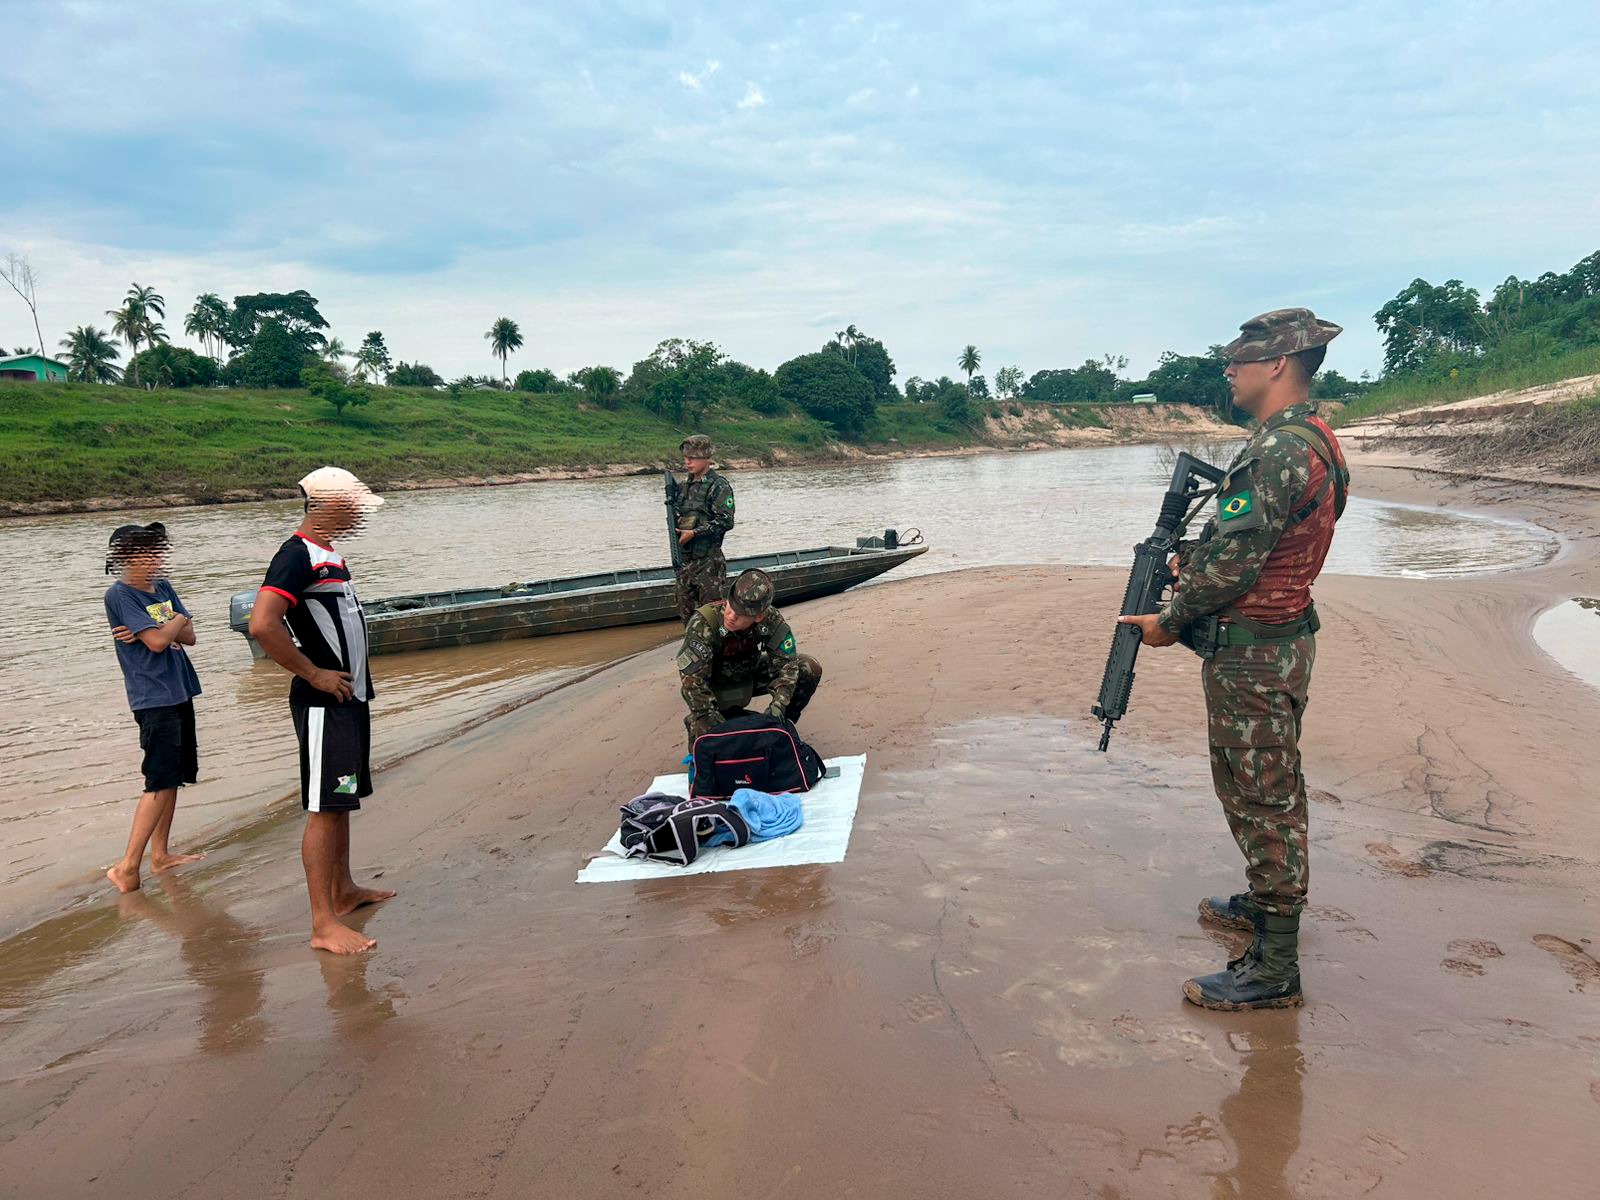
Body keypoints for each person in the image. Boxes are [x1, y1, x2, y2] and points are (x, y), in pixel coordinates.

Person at [1118, 308, 1349, 1011]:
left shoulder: (1279, 448)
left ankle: (1275, 968)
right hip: (1279, 642)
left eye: (1237, 362)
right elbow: (1260, 547)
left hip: (1255, 654)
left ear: (1277, 364)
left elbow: (1234, 566)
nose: (1229, 372)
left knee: (1261, 797)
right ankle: (1263, 905)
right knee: (1264, 786)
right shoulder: (1316, 438)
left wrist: (1170, 620)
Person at [248, 467, 395, 955]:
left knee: (342, 799)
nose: (358, 513)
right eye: (352, 504)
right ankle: (321, 923)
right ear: (326, 504)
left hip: (350, 699)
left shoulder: (329, 555)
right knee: (323, 808)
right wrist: (313, 674)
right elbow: (263, 625)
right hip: (322, 702)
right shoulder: (295, 555)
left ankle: (344, 890)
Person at [103, 521, 206, 893]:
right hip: (153, 696)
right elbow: (161, 642)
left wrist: (163, 626)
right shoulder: (120, 595)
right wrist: (174, 620)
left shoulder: (162, 587)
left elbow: (189, 637)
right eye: (147, 553)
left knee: (174, 776)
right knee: (158, 780)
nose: (156, 559)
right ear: (124, 559)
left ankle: (160, 855)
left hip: (179, 689)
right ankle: (127, 866)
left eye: (157, 551)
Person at [678, 568, 823, 747]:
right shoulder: (703, 623)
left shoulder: (770, 620)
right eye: (730, 607)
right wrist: (713, 724)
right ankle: (704, 724)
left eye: (739, 616)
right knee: (716, 748)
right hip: (713, 686)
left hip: (748, 674)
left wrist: (778, 707)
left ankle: (782, 728)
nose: (730, 616)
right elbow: (693, 683)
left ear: (758, 616)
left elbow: (787, 665)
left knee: (808, 668)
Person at [671, 434, 735, 622]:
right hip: (685, 563)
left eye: (693, 457)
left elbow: (725, 521)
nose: (688, 461)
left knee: (712, 617)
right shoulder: (683, 487)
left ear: (706, 458)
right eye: (686, 457)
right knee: (687, 617)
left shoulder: (718, 486)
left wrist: (694, 533)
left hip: (708, 562)